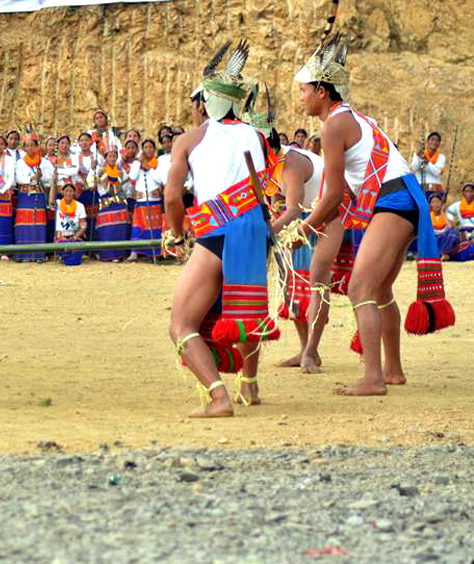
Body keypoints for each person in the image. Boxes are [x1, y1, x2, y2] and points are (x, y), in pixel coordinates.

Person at [295, 33, 454, 396]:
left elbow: (334, 193)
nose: (301, 96)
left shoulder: (334, 125)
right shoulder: (352, 118)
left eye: (304, 90)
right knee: (379, 289)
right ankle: (392, 370)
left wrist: (303, 226)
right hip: (402, 198)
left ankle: (373, 377)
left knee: (361, 287)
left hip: (394, 201)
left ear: (322, 91)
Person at [165, 41, 274, 418]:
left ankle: (219, 398)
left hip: (217, 232)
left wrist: (176, 234)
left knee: (181, 325)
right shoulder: (253, 134)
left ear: (205, 102)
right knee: (243, 311)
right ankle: (250, 383)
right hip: (256, 231)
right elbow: (263, 189)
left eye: (197, 102)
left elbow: (172, 198)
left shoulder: (188, 140)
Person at [248, 97, 334, 374]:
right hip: (300, 225)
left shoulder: (291, 162)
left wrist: (264, 233)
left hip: (327, 219)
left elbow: (294, 208)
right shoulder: (269, 164)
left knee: (316, 286)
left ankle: (310, 353)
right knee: (294, 290)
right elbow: (278, 204)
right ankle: (306, 349)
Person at [13, 136, 49, 261]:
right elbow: (18, 178)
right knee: (24, 223)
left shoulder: (43, 162)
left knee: (38, 223)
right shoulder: (20, 162)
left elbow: (49, 178)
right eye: (27, 146)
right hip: (25, 195)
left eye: (32, 145)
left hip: (38, 195)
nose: (30, 148)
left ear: (36, 147)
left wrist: (41, 176)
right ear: (24, 148)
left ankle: (38, 254)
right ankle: (23, 254)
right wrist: (32, 178)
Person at [128, 138, 165, 261]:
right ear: (142, 150)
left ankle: (156, 252)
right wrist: (139, 163)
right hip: (141, 200)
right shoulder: (136, 163)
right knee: (138, 228)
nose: (148, 149)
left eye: (150, 147)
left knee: (155, 228)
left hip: (154, 200)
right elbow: (132, 176)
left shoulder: (158, 163)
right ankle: (135, 252)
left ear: (154, 149)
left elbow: (160, 179)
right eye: (146, 147)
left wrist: (148, 168)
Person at [91, 149, 129, 262]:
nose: (112, 159)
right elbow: (91, 181)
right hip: (105, 201)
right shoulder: (100, 169)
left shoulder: (120, 170)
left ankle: (119, 254)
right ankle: (106, 254)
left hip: (118, 201)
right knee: (106, 228)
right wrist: (94, 170)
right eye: (110, 156)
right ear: (106, 158)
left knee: (119, 228)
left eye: (114, 157)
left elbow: (126, 180)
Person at [50, 182, 88, 266]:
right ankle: (66, 258)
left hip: (75, 237)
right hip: (61, 238)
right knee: (66, 249)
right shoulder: (58, 203)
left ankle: (69, 259)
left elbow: (83, 226)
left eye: (71, 191)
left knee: (76, 249)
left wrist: (75, 237)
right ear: (62, 193)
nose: (68, 193)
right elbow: (51, 201)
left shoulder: (80, 206)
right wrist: (54, 182)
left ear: (74, 193)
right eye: (66, 191)